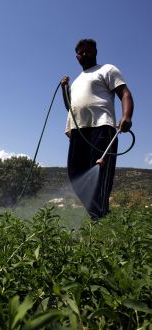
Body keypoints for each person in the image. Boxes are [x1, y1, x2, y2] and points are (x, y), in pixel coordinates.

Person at [60, 38, 134, 220]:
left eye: (88, 51)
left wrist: (127, 116)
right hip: (78, 131)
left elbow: (124, 92)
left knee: (100, 173)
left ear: (95, 52)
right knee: (75, 173)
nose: (85, 54)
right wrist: (65, 89)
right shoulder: (76, 81)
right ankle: (98, 213)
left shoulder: (107, 69)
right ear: (76, 56)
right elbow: (70, 107)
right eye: (81, 52)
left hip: (102, 126)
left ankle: (99, 217)